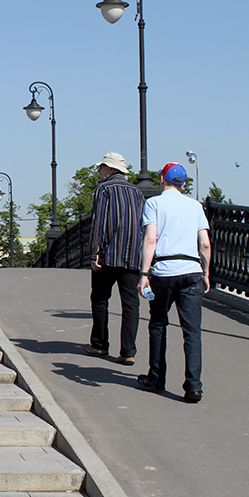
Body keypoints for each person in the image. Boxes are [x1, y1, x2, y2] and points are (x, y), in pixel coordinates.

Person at [137, 163, 211, 403]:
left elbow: (150, 239)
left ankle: (157, 378)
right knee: (192, 332)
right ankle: (193, 387)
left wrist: (144, 273)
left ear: (162, 179)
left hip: (164, 272)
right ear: (183, 184)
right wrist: (205, 273)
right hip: (192, 272)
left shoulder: (154, 203)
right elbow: (205, 244)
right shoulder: (195, 206)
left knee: (158, 323)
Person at [86, 152, 145, 365]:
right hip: (132, 255)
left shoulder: (104, 189)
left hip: (108, 255)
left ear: (110, 169)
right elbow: (142, 223)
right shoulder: (137, 192)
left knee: (100, 298)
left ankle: (99, 344)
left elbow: (99, 222)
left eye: (101, 167)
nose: (99, 171)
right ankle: (128, 351)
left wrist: (95, 253)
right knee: (131, 304)